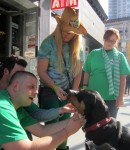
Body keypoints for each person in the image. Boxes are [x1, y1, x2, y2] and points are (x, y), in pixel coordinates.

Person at [37, 7, 87, 150]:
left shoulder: (79, 48)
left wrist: (74, 93)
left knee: (66, 127)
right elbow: (41, 71)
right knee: (52, 128)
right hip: (50, 90)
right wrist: (55, 87)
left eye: (71, 32)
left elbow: (79, 73)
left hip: (68, 92)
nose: (66, 34)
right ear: (59, 26)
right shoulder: (48, 43)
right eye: (64, 30)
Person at [0, 71, 84, 150]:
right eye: (31, 87)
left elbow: (42, 131)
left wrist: (80, 118)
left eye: (36, 88)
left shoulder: (18, 109)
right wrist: (66, 132)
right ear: (15, 86)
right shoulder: (3, 107)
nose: (36, 92)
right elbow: (24, 148)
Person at [0, 56, 76, 140]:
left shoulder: (20, 108)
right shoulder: (4, 104)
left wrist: (64, 111)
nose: (36, 92)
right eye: (31, 87)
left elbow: (40, 125)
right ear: (6, 71)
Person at [82, 28, 130, 118]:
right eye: (109, 40)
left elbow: (122, 78)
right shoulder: (93, 53)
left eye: (114, 41)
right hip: (93, 96)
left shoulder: (120, 56)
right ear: (104, 38)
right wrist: (85, 88)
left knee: (110, 126)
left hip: (111, 98)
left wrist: (120, 97)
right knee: (92, 123)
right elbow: (87, 72)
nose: (111, 43)